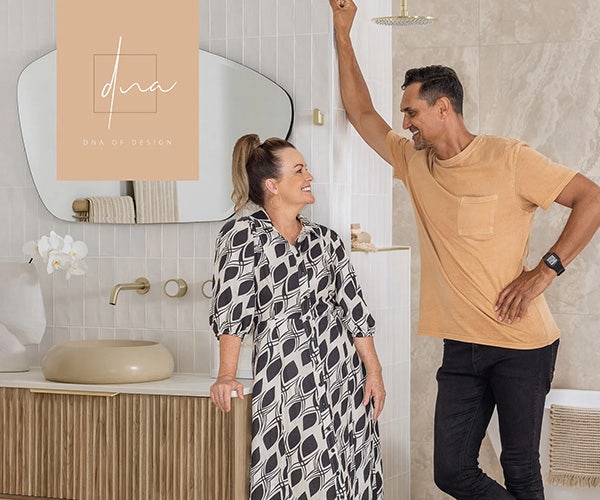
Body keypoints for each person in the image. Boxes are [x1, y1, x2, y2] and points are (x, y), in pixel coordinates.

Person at [329, 1, 600, 499]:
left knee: (520, 468)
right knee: (451, 471)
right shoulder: (414, 163)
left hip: (522, 344)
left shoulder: (509, 158)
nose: (405, 122)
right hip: (460, 348)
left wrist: (544, 271)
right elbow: (360, 113)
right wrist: (343, 33)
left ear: (443, 107)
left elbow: (592, 198)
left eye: (411, 111)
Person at [209, 134, 386, 499]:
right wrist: (226, 375)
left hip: (343, 372)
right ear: (272, 185)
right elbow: (232, 312)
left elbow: (354, 309)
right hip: (287, 374)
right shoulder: (242, 236)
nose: (310, 176)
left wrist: (374, 371)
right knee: (300, 470)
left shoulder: (327, 240)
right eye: (299, 170)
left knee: (352, 462)